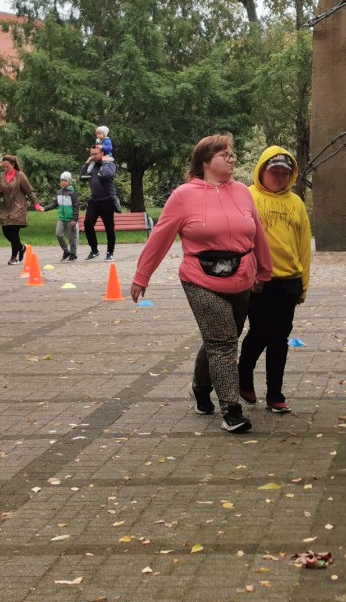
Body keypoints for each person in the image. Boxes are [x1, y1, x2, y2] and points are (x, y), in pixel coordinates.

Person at [130, 133, 273, 433]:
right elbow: (160, 237)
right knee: (223, 342)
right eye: (224, 154)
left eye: (232, 153)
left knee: (218, 338)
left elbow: (256, 233)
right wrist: (142, 275)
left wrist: (264, 270)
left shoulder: (243, 193)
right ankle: (231, 411)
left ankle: (199, 386)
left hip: (242, 278)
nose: (232, 158)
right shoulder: (184, 195)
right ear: (205, 162)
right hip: (201, 279)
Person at [238, 147, 311, 414]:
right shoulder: (246, 196)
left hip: (289, 279)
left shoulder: (296, 203)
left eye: (285, 173)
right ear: (262, 171)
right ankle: (243, 376)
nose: (279, 176)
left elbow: (304, 245)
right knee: (260, 331)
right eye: (274, 171)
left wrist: (304, 283)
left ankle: (275, 393)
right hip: (258, 280)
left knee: (280, 337)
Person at [0, 155, 42, 265]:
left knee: (13, 232)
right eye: (4, 167)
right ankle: (21, 248)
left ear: (13, 164)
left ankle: (14, 257)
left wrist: (36, 204)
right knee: (5, 232)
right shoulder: (2, 176)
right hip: (6, 208)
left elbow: (30, 191)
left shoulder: (20, 175)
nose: (5, 169)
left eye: (7, 167)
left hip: (18, 208)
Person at [79, 144, 118, 261]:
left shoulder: (110, 164)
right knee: (88, 224)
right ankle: (94, 250)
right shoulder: (92, 165)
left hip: (107, 200)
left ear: (102, 153)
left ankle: (110, 252)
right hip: (94, 201)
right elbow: (82, 176)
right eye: (91, 154)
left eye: (95, 154)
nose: (93, 156)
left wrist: (105, 162)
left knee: (109, 227)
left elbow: (106, 175)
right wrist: (87, 163)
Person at [42, 171, 79, 261]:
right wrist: (44, 208)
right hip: (61, 218)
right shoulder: (59, 192)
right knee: (58, 234)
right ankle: (66, 251)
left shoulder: (72, 193)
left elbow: (76, 206)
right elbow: (55, 204)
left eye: (65, 180)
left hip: (70, 219)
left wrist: (75, 218)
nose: (63, 182)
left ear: (69, 182)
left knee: (71, 237)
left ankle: (73, 253)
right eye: (62, 180)